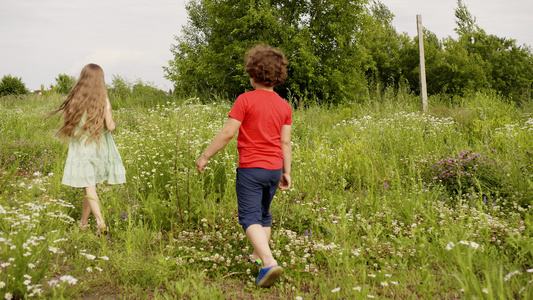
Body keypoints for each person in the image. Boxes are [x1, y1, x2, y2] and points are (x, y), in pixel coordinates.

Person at [196, 44, 292, 288]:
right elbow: (286, 142)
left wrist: (205, 156)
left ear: (252, 73)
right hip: (273, 169)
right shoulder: (284, 105)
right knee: (263, 215)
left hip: (251, 168)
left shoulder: (245, 99)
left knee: (249, 217)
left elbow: (228, 133)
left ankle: (269, 262)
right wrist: (286, 171)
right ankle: (257, 259)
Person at [50, 63, 126, 236]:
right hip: (99, 148)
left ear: (83, 78)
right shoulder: (103, 99)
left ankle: (100, 222)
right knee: (89, 185)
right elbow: (111, 127)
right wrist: (109, 110)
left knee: (89, 185)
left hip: (81, 148)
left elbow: (70, 123)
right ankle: (83, 223)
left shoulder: (75, 97)